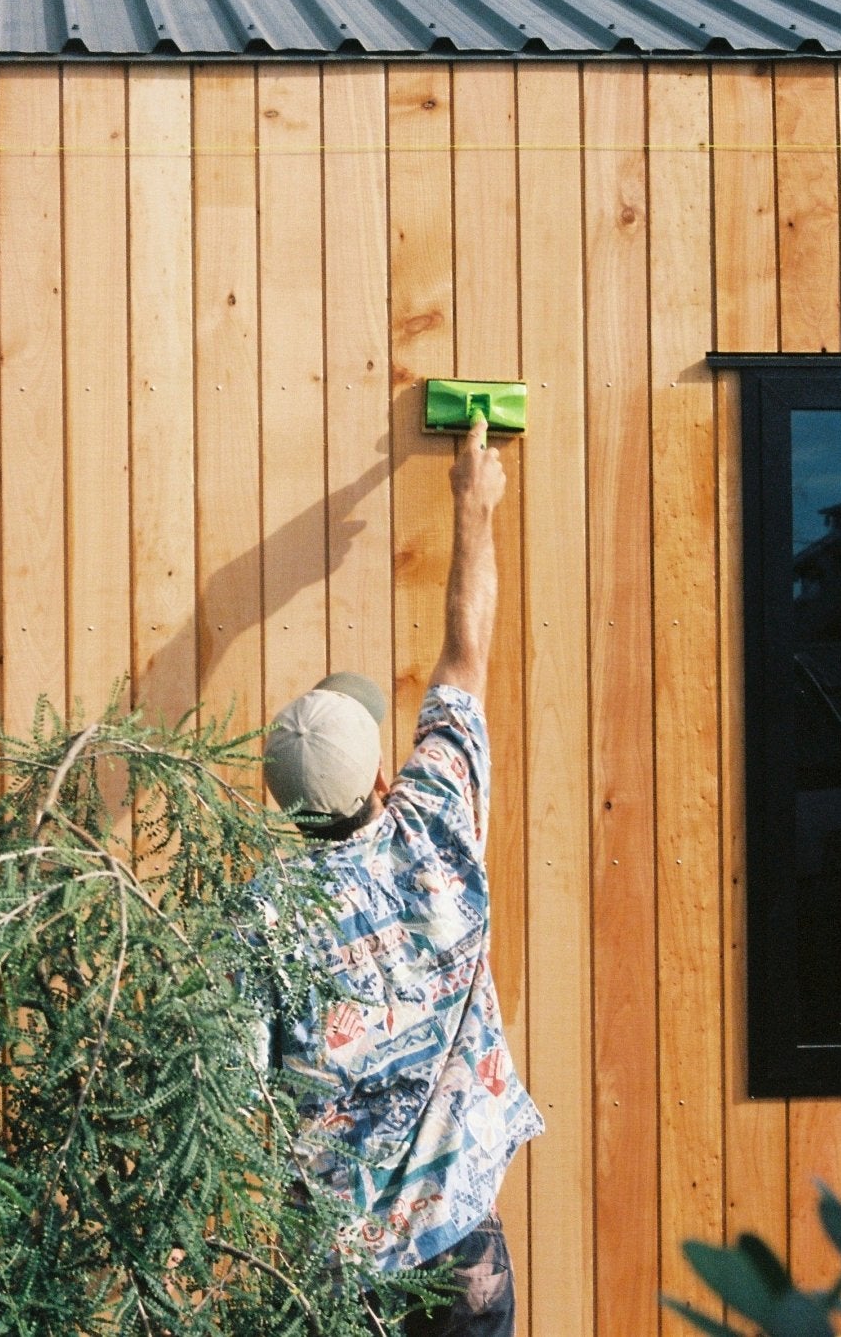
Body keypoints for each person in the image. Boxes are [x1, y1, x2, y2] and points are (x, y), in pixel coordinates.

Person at [257, 415, 542, 1336]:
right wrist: (473, 502)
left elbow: (225, 1102)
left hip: (339, 1273)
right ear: (383, 778)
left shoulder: (261, 921)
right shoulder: (437, 825)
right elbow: (465, 652)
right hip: (464, 1251)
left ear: (285, 809)